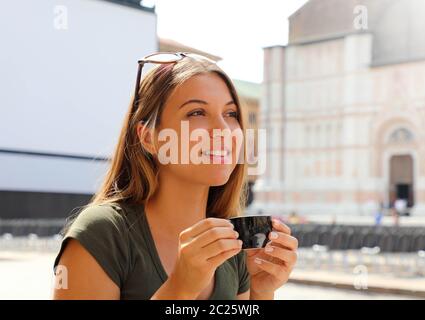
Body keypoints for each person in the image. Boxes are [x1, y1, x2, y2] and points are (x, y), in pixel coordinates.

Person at [52, 52, 298, 300]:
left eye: (230, 114)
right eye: (196, 113)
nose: (224, 130)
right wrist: (180, 287)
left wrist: (261, 292)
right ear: (148, 137)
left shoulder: (232, 245)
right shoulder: (103, 234)